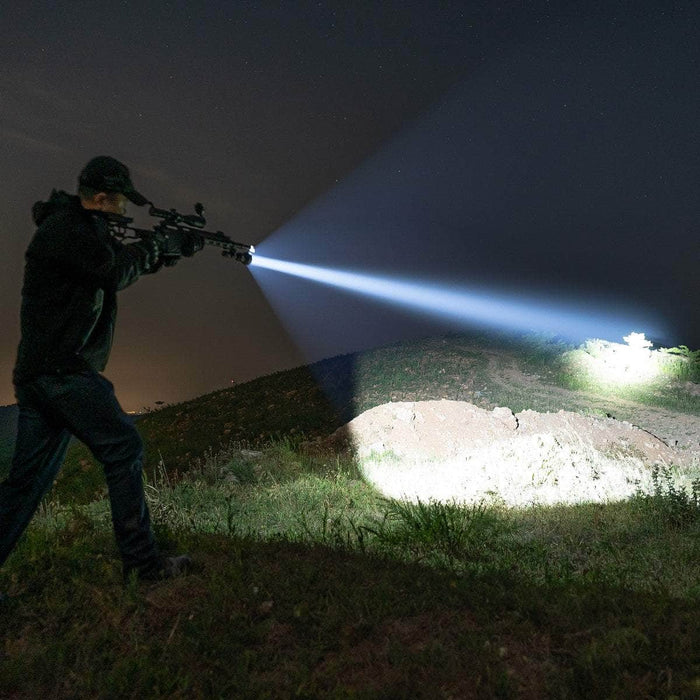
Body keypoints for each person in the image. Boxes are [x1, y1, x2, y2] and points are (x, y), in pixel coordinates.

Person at [0, 156, 203, 584]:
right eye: (121, 203)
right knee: (123, 447)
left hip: (43, 374)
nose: (125, 211)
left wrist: (170, 252)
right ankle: (145, 567)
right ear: (102, 198)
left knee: (24, 485)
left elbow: (115, 262)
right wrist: (157, 245)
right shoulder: (68, 230)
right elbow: (113, 270)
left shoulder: (74, 229)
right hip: (63, 372)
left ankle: (142, 563)